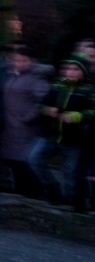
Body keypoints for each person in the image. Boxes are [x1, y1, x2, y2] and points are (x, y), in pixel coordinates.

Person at [29, 55, 95, 211]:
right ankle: (53, 188)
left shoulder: (89, 90)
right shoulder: (57, 85)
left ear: (83, 72)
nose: (70, 72)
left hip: (74, 138)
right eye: (68, 69)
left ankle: (72, 202)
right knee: (34, 159)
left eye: (75, 69)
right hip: (51, 134)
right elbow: (40, 105)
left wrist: (77, 116)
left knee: (70, 172)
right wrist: (47, 110)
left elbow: (93, 111)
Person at [0, 46, 49, 197]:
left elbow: (44, 100)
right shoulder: (13, 75)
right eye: (16, 60)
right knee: (14, 162)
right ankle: (20, 192)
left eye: (23, 60)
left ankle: (33, 194)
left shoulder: (36, 78)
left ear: (31, 61)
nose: (19, 63)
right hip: (10, 126)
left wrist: (28, 117)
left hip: (26, 128)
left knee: (25, 163)